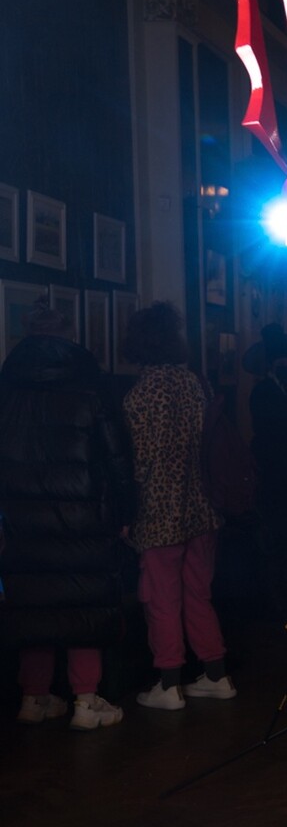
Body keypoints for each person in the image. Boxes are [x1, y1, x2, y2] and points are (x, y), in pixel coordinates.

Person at [0, 299, 131, 729]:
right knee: (82, 605)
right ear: (69, 336)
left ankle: (33, 697)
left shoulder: (7, 384)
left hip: (21, 517)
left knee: (33, 604)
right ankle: (86, 701)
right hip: (83, 515)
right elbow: (115, 453)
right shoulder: (88, 382)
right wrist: (125, 510)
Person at [122, 303, 235, 707]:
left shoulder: (141, 394)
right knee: (198, 594)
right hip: (202, 508)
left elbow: (141, 461)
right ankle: (215, 674)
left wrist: (126, 513)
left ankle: (169, 683)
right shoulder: (194, 383)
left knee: (161, 598)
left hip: (159, 513)